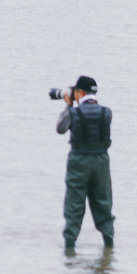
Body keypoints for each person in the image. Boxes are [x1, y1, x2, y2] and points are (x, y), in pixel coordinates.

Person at [56, 76, 115, 252]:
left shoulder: (74, 112)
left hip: (78, 160)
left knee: (74, 205)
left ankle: (69, 249)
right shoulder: (107, 112)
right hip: (101, 161)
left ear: (79, 92)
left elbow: (60, 128)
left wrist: (68, 105)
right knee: (103, 204)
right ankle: (109, 246)